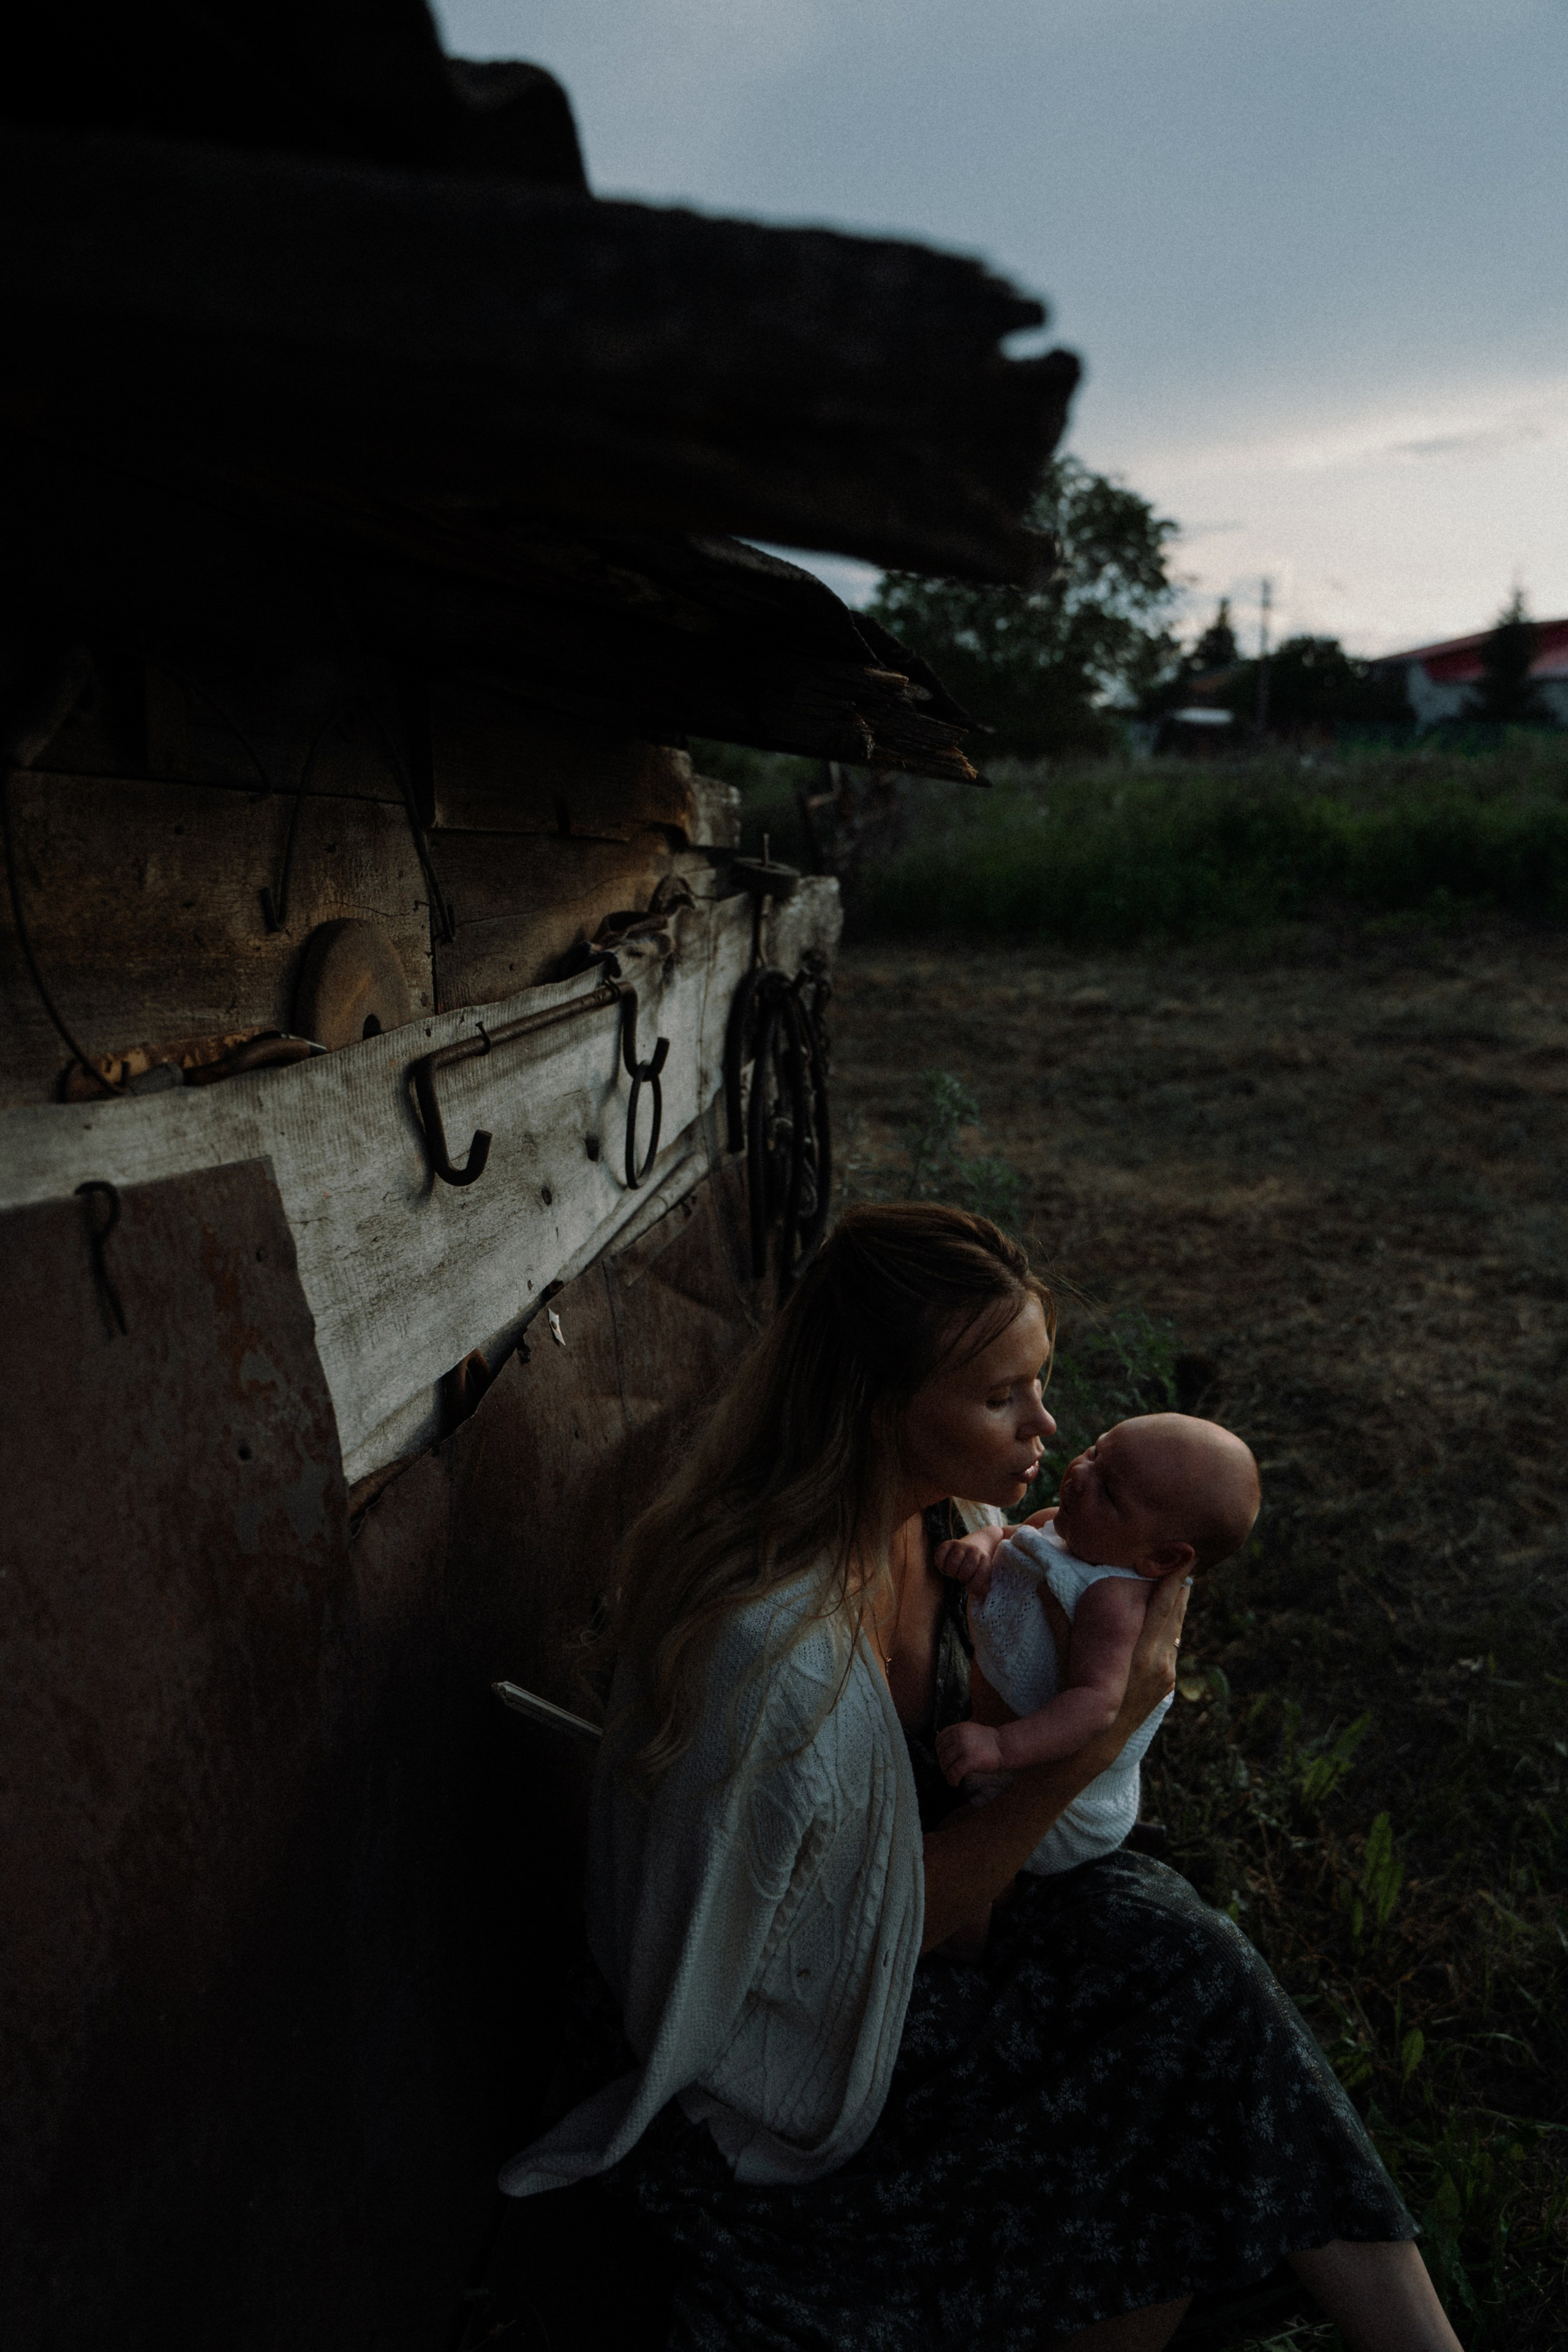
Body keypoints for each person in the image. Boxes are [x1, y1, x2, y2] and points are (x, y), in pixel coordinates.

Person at [500, 1205, 1460, 2352]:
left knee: (1190, 1958)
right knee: (1163, 2089)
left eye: (1041, 1382)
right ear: (878, 1409)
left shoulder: (948, 1525)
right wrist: (1094, 1748)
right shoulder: (772, 1660)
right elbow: (857, 1944)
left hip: (935, 1943)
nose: (1046, 1425)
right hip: (789, 2079)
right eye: (1003, 1397)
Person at [932, 1416, 1259, 1883]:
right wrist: (980, 1545)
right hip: (1007, 1758)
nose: (1080, 1475)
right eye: (1095, 1452)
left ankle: (982, 1926)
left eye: (1109, 1493)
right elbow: (1012, 1537)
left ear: (1162, 1558)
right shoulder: (1066, 1530)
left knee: (959, 1844)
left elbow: (1097, 1705)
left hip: (1061, 1804)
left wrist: (1002, 1745)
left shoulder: (1113, 1602)